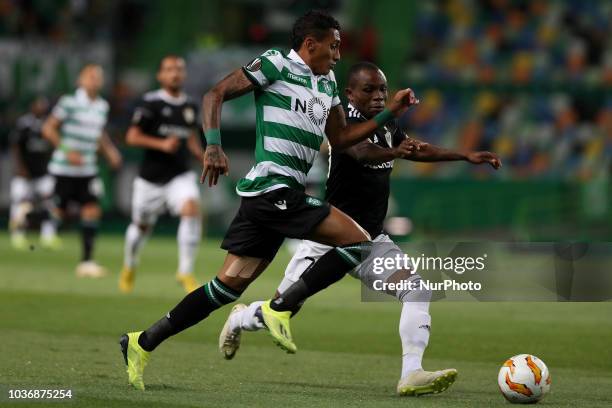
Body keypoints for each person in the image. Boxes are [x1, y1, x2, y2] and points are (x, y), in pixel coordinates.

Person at [119, 10, 420, 391]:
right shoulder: (275, 64)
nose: (339, 55)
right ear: (310, 44)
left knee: (225, 289)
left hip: (283, 195)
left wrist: (390, 113)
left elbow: (342, 139)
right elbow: (216, 94)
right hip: (271, 189)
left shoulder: (326, 83)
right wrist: (213, 145)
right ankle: (279, 309)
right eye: (334, 46)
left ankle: (140, 342)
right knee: (360, 240)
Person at [218, 61, 502, 396]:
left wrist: (465, 155)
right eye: (369, 89)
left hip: (371, 242)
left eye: (383, 89)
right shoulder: (344, 124)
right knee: (282, 308)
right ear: (349, 94)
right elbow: (360, 152)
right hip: (327, 239)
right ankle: (240, 318)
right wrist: (395, 151)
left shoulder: (387, 124)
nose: (379, 96)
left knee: (417, 290)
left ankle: (411, 374)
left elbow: (416, 149)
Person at [119, 55, 205, 294]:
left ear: (184, 74)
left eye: (179, 69)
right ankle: (130, 265)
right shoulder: (150, 103)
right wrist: (161, 144)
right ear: (160, 76)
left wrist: (205, 157)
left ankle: (185, 271)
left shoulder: (190, 105)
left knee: (191, 209)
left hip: (179, 175)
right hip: (150, 179)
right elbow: (132, 137)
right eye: (169, 69)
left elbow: (190, 138)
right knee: (141, 227)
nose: (175, 73)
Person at [42, 64, 122, 278]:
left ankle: (86, 261)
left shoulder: (102, 106)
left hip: (88, 168)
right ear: (80, 80)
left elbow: (99, 134)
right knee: (60, 211)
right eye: (90, 76)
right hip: (64, 167)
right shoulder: (68, 102)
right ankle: (30, 215)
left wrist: (111, 152)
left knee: (92, 208)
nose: (95, 79)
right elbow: (48, 128)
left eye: (98, 76)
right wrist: (66, 150)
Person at [8, 96, 60, 250]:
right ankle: (17, 236)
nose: (41, 108)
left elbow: (52, 146)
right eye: (38, 104)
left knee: (50, 203)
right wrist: (20, 168)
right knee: (20, 204)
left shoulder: (48, 125)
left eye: (43, 105)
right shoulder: (24, 124)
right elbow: (15, 147)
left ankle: (48, 236)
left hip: (43, 173)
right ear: (32, 106)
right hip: (24, 175)